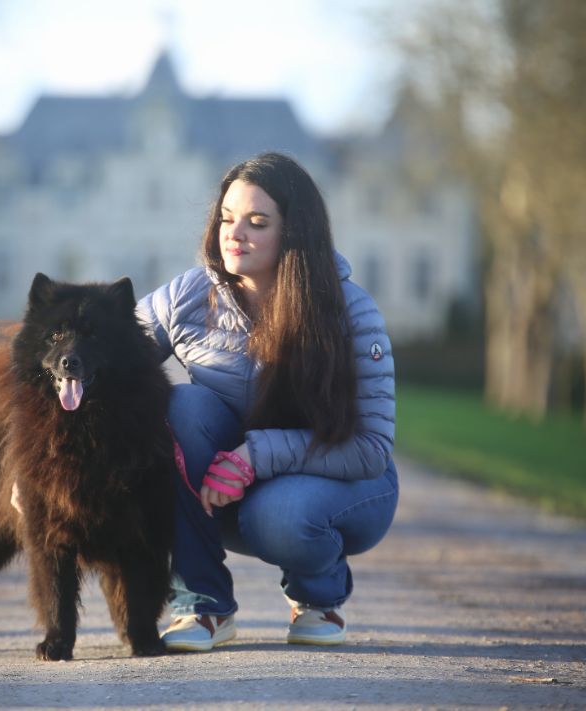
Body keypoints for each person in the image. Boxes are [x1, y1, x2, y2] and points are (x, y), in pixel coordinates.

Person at [136, 152, 398, 652]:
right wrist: (29, 464)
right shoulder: (189, 296)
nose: (234, 234)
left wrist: (256, 456)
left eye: (257, 222)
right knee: (182, 407)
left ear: (294, 232)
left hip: (346, 486)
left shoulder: (351, 312)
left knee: (278, 514)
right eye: (227, 219)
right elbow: (107, 358)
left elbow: (370, 448)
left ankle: (318, 597)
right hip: (226, 491)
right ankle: (203, 607)